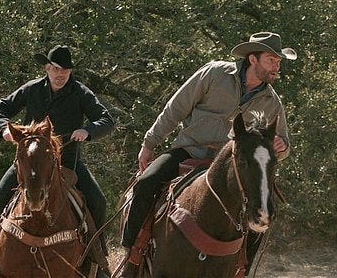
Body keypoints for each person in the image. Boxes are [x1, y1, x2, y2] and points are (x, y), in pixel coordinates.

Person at [119, 32, 297, 277]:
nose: (277, 66)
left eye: (278, 62)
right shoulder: (214, 73)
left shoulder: (272, 102)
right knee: (147, 181)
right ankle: (132, 254)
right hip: (189, 151)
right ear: (252, 59)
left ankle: (241, 269)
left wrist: (281, 146)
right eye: (271, 60)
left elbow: (284, 143)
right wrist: (150, 143)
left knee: (262, 211)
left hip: (230, 168)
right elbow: (175, 108)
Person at [0, 45, 114, 277]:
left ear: (70, 72)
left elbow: (106, 120)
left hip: (68, 160)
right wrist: (4, 129)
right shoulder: (32, 89)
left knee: (98, 201)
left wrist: (87, 130)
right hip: (30, 160)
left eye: (65, 70)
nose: (60, 74)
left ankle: (98, 264)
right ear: (47, 68)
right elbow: (1, 107)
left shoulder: (81, 93)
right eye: (55, 69)